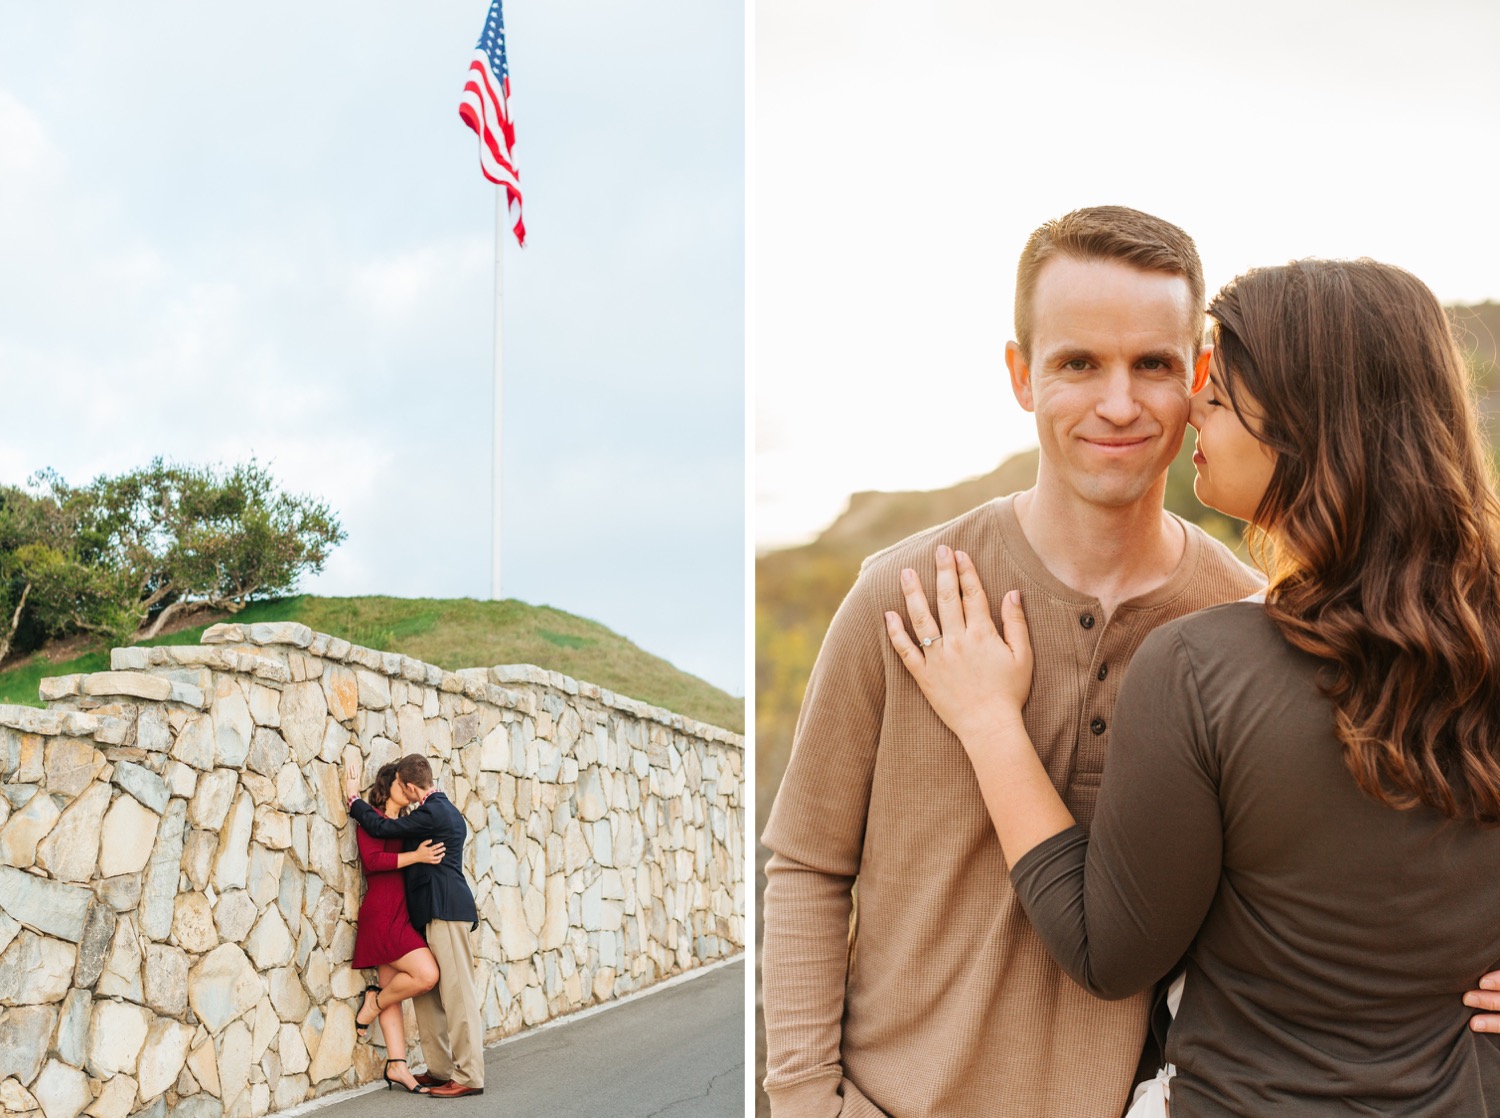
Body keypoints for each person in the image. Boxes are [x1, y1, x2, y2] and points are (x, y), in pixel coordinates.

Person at [886, 258, 1500, 1113]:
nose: (1191, 409)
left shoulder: (1201, 667)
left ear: (1305, 422)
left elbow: (1110, 953)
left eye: (1219, 390)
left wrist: (990, 720)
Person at [760, 206, 1265, 1118]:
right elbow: (807, 867)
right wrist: (804, 1103)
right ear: (1022, 375)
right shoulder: (899, 595)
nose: (1118, 403)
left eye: (1152, 364)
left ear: (1195, 378)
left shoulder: (1242, 621)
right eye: (1079, 363)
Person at [346, 753, 485, 1099]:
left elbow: (381, 829)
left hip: (446, 910)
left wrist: (352, 800)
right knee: (431, 996)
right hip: (425, 915)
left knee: (456, 994)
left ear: (410, 786)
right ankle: (439, 1070)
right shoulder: (429, 812)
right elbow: (380, 836)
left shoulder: (433, 812)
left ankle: (468, 1075)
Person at [342, 760, 444, 1094]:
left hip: (402, 911)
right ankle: (374, 1003)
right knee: (426, 975)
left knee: (392, 992)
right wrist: (353, 796)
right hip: (383, 913)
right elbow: (373, 862)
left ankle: (397, 1065)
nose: (408, 791)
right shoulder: (371, 819)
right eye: (402, 785)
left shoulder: (406, 824)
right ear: (390, 783)